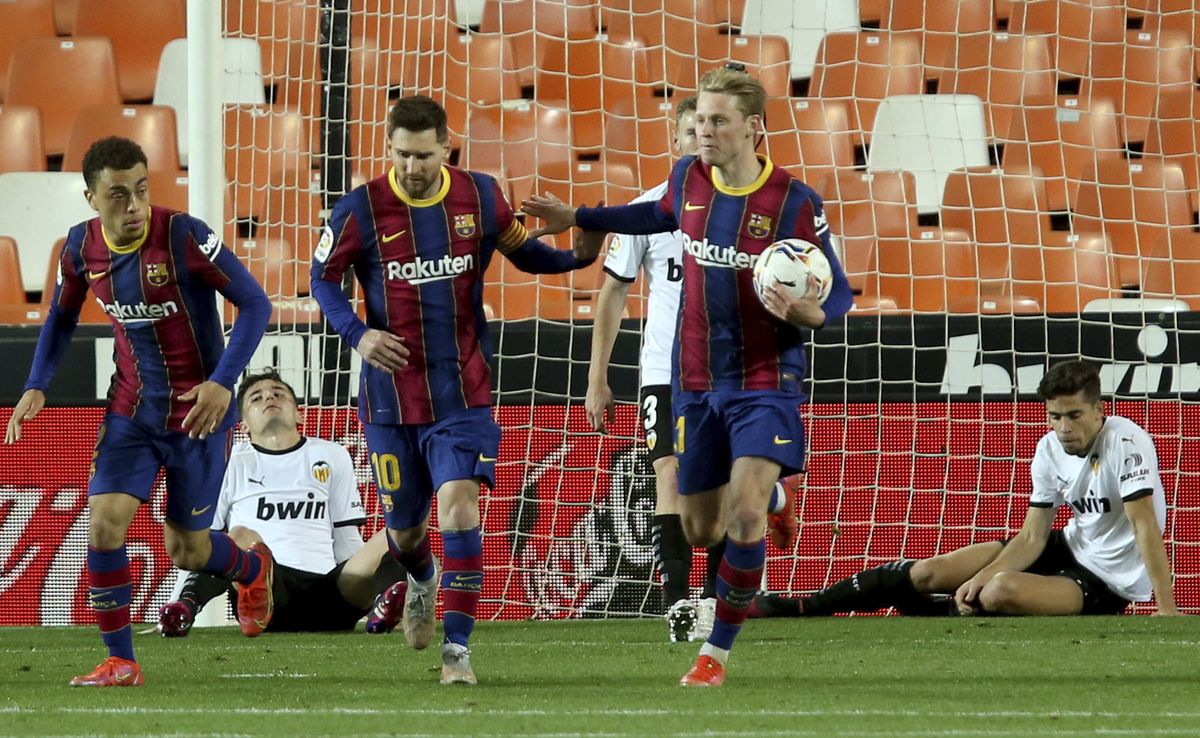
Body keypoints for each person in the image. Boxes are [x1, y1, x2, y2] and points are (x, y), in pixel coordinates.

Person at [523, 67, 854, 686]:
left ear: (754, 128)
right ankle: (780, 495)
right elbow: (650, 219)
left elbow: (839, 291)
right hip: (694, 381)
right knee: (704, 527)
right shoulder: (687, 179)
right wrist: (578, 213)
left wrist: (816, 311)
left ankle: (715, 656)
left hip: (765, 377)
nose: (703, 130)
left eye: (718, 120)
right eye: (699, 119)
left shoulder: (793, 201)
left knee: (746, 517)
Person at [310, 95, 602, 685]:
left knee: (459, 505)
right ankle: (420, 577)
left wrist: (578, 254)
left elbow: (527, 255)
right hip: (390, 399)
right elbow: (322, 280)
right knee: (407, 531)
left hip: (463, 390)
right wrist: (358, 334)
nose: (412, 167)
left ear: (447, 146)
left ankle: (458, 652)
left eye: (422, 155)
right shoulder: (359, 209)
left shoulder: (480, 195)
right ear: (387, 148)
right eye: (400, 154)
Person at [3, 137, 273, 687]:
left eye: (142, 190)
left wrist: (223, 384)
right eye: (118, 195)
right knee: (102, 525)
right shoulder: (80, 248)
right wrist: (37, 385)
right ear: (90, 197)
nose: (134, 207)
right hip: (131, 410)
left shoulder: (184, 235)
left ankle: (251, 567)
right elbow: (59, 318)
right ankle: (121, 660)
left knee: (188, 552)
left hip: (200, 416)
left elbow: (256, 303)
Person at [585, 95, 800, 643]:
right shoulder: (650, 209)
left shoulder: (748, 210)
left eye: (704, 130)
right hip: (664, 367)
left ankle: (712, 599)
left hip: (726, 370)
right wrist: (597, 377)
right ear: (677, 143)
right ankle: (678, 604)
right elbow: (612, 291)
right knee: (670, 477)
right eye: (687, 134)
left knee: (722, 493)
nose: (695, 142)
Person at [750, 360, 1181, 619]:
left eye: (1074, 415)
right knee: (928, 573)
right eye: (1054, 416)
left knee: (999, 591)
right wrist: (980, 573)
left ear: (1098, 409)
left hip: (1109, 582)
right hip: (1067, 547)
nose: (1064, 428)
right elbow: (1033, 536)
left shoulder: (1126, 442)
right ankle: (805, 606)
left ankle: (941, 610)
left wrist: (1165, 608)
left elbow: (1145, 527)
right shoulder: (1049, 448)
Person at [158, 370, 409, 636]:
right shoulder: (230, 460)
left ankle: (386, 606)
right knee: (240, 536)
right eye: (256, 398)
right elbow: (204, 546)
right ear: (243, 424)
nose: (268, 397)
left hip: (331, 597)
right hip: (263, 592)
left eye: (278, 393)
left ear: (299, 414)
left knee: (398, 533)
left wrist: (366, 576)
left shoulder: (332, 454)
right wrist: (175, 597)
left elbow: (346, 538)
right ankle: (183, 608)